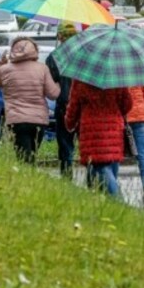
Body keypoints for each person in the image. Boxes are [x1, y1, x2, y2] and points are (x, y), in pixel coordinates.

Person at [0, 37, 59, 164]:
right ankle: (30, 178)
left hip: (16, 119)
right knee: (32, 154)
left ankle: (27, 178)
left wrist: (0, 63)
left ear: (13, 50)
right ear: (35, 50)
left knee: (23, 156)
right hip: (39, 120)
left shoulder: (5, 70)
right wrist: (58, 84)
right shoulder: (42, 69)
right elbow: (53, 94)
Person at [65, 80, 132, 198]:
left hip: (92, 132)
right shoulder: (117, 77)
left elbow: (73, 106)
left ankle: (120, 204)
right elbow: (127, 104)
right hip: (114, 129)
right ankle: (107, 208)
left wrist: (69, 123)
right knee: (110, 169)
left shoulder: (81, 78)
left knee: (100, 168)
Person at [46, 24, 78, 177]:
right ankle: (94, 180)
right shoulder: (85, 54)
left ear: (60, 37)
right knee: (87, 144)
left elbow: (50, 81)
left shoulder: (55, 56)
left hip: (64, 105)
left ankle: (67, 176)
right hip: (84, 106)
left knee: (65, 144)